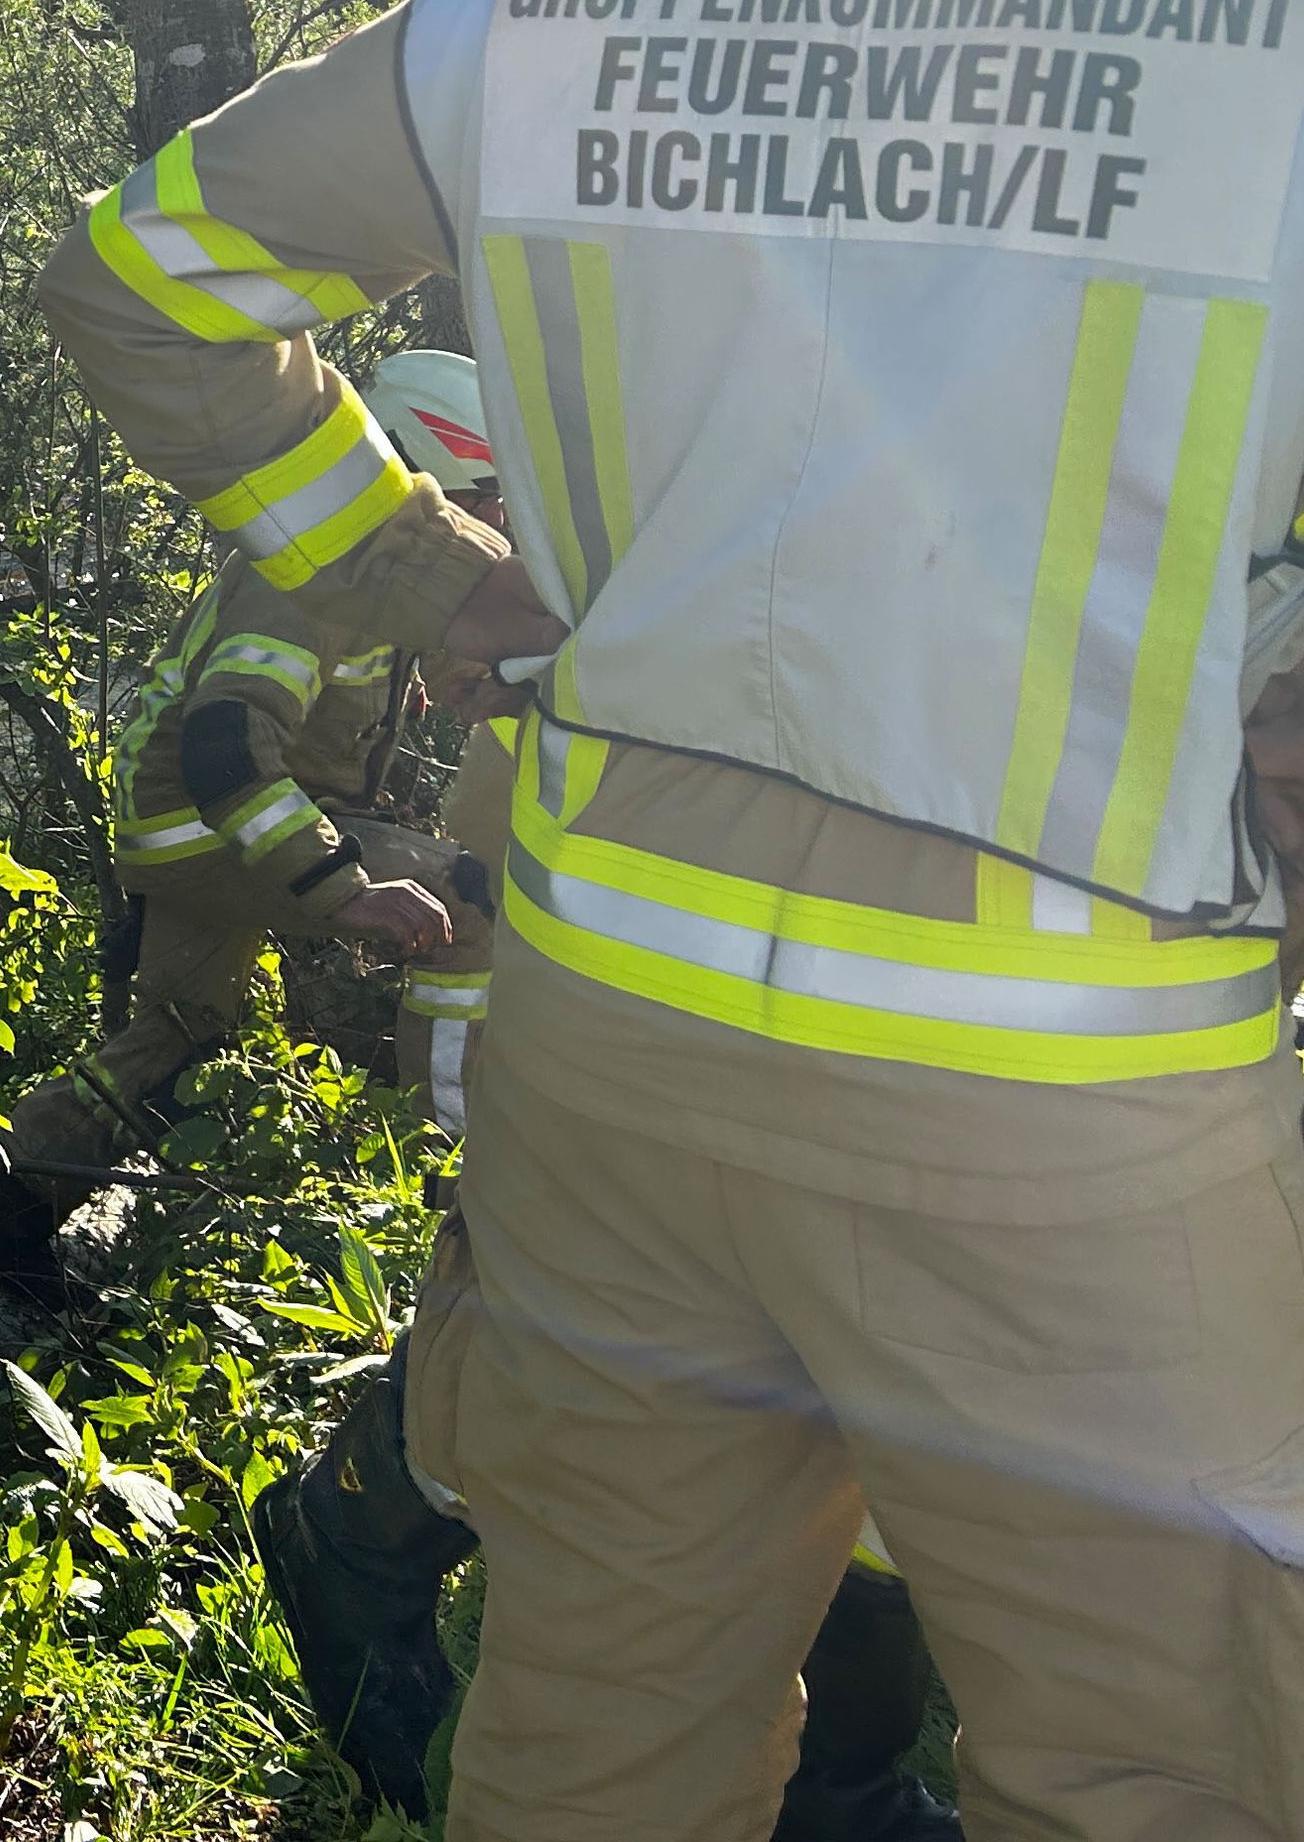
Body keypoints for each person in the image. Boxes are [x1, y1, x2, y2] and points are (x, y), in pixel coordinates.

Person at [37, 0, 1304, 1839]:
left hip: (605, 1066)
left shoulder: (539, 9)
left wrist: (414, 576)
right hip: (1070, 1117)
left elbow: (151, 271)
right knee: (1175, 1768)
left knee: (588, 1735)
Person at [255, 699, 960, 1841]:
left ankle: (834, 1774)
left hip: (944, 918)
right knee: (586, 1245)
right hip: (678, 767)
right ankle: (349, 1540)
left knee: (890, 1354)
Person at [0, 350, 496, 1277]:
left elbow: (432, 664)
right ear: (427, 476)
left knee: (180, 1034)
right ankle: (449, 1183)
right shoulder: (309, 581)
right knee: (466, 901)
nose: (494, 523)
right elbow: (225, 744)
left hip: (203, 831)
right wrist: (343, 890)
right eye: (483, 495)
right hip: (217, 826)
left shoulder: (374, 576)